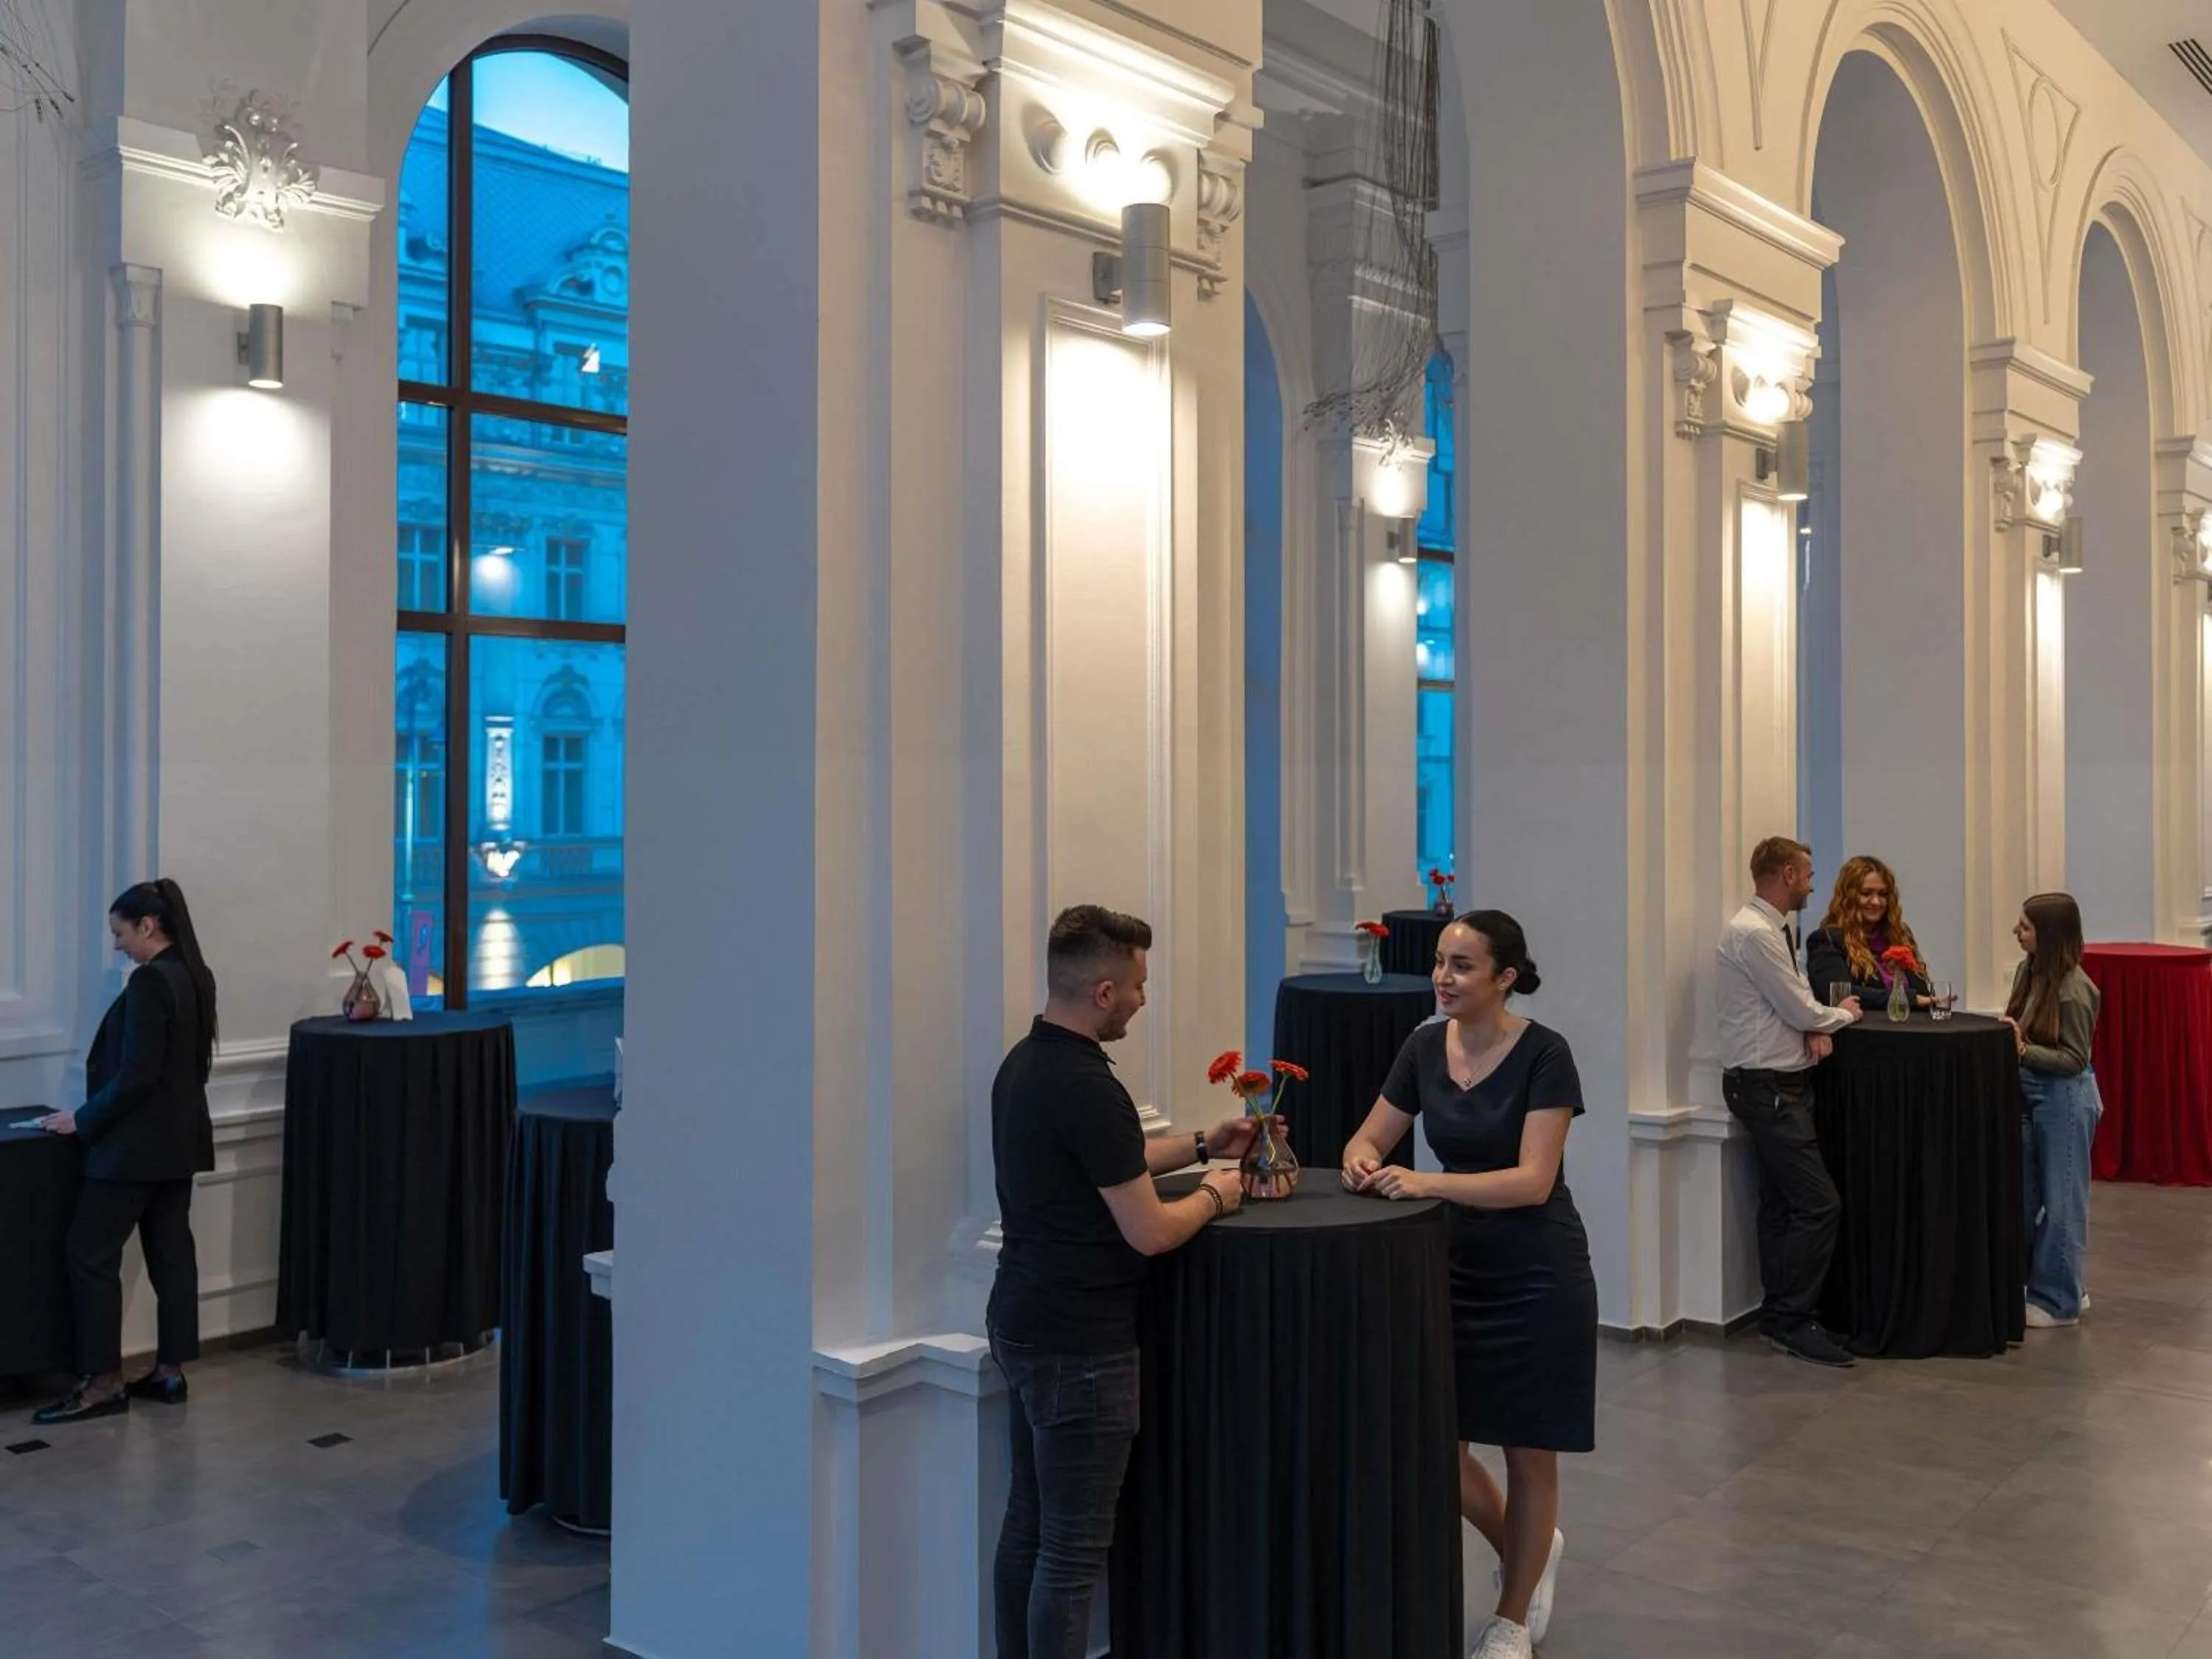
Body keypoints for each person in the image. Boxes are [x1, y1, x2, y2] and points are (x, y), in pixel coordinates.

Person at [986, 904, 1270, 1659]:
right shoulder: (1087, 1087)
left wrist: (1208, 1140)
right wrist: (1219, 1193)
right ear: (1103, 992)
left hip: (1020, 1318)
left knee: (1029, 1524)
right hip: (1080, 1346)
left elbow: (1113, 1163)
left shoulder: (1025, 1064)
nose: (1144, 999)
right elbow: (1148, 1231)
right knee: (1072, 1554)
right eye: (1139, 985)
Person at [1341, 911, 1595, 1659]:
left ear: (1505, 979)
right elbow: (1369, 1135)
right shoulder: (1424, 1044)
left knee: (1527, 1449)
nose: (1443, 978)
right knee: (1438, 1448)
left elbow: (1532, 1181)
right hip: (1448, 1268)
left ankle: (1510, 1620)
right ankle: (1532, 1547)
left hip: (1537, 1274)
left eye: (1461, 967)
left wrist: (1423, 1181)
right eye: (1440, 964)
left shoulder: (1547, 1054)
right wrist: (1361, 1159)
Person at [32, 879, 219, 1425]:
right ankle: (169, 1371)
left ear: (148, 926)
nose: (116, 945)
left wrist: (82, 1120)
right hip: (180, 1144)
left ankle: (102, 1383)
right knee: (171, 1255)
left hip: (135, 1149)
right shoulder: (195, 975)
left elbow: (137, 1076)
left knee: (87, 1254)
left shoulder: (151, 983)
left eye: (120, 932)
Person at [1714, 838, 1862, 1368]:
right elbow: (1800, 1006)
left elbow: (1790, 1007)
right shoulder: (1755, 933)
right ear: (1786, 875)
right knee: (1819, 1203)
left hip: (1774, 1082)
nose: (1813, 883)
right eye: (1807, 874)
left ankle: (1782, 1314)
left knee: (1781, 1203)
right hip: (1767, 1087)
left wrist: (1812, 1029)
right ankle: (1793, 1319)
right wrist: (1839, 1016)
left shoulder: (1767, 930)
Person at [2000, 893, 2103, 1329]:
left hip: (2065, 1098)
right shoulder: (2028, 971)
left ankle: (2059, 1299)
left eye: (2025, 927)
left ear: (2049, 935)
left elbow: (2074, 1060)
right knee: (2026, 1196)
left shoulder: (2076, 991)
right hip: (2030, 1094)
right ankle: (2048, 1282)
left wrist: (2023, 1050)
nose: (2016, 932)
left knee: (2063, 1201)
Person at [1805, 855, 1937, 1010]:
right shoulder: (1827, 940)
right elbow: (1838, 995)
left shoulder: (1900, 934)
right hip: (1863, 1031)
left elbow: (1925, 995)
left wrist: (1901, 977)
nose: (1876, 902)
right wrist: (1908, 998)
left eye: (1883, 894)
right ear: (1849, 897)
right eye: (1866, 894)